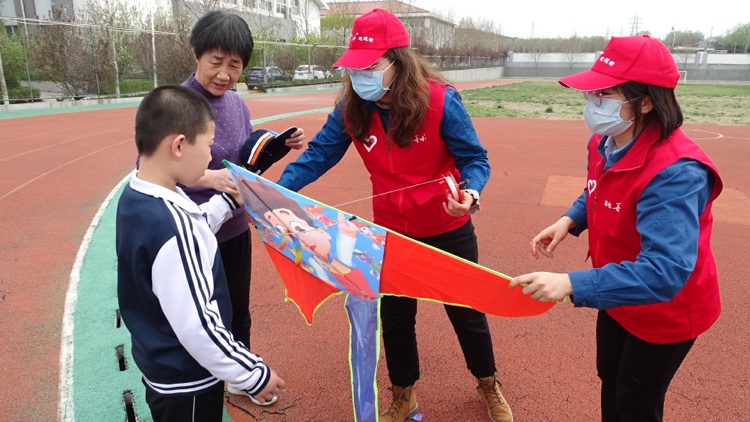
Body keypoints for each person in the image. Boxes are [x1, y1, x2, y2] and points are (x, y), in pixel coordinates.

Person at [276, 8, 513, 422]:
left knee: (466, 311)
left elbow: (475, 159)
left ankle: (488, 383)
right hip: (391, 233)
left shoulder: (440, 100)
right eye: (354, 67)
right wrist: (276, 192)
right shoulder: (353, 108)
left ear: (397, 62)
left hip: (447, 226)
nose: (360, 75)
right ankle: (404, 394)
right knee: (398, 318)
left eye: (369, 67)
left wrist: (471, 193)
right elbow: (317, 155)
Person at [510, 35, 723, 422]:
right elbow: (600, 186)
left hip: (665, 309)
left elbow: (666, 271)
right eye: (590, 94)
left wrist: (571, 283)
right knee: (610, 376)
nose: (592, 104)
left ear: (645, 101)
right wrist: (570, 219)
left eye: (603, 95)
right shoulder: (605, 140)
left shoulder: (676, 171)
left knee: (636, 404)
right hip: (618, 289)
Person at [116, 85, 285, 421]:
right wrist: (253, 374)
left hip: (160, 364)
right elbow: (198, 326)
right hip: (189, 381)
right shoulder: (173, 228)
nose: (211, 158)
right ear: (179, 145)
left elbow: (189, 226)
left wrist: (226, 201)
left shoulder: (138, 195)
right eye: (208, 145)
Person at [180, 10, 305, 392]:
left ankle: (239, 377)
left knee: (237, 307)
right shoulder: (175, 104)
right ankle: (199, 379)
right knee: (198, 312)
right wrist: (206, 177)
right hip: (192, 229)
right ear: (196, 54)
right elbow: (148, 167)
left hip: (234, 226)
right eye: (215, 62)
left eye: (234, 65)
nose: (224, 74)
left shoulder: (237, 104)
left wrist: (280, 145)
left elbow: (247, 156)